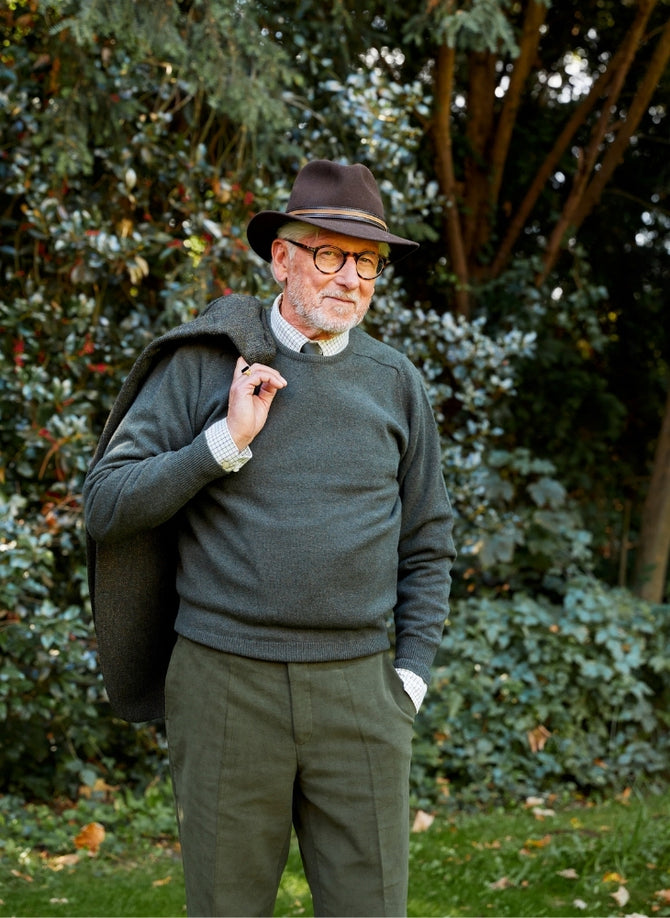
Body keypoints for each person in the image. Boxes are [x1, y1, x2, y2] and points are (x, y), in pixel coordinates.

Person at [84, 159, 456, 917]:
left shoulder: (395, 382)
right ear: (282, 258)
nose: (350, 278)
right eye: (330, 253)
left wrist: (410, 676)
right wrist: (222, 443)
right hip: (226, 683)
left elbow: (428, 539)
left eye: (367, 261)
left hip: (360, 690)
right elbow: (107, 502)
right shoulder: (207, 362)